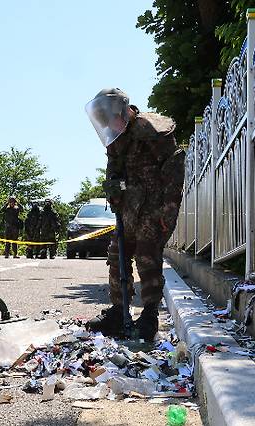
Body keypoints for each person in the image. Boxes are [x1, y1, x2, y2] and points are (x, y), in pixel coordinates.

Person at [84, 88, 184, 341]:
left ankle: (149, 316)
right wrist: (113, 190)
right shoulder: (115, 136)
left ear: (123, 111)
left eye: (111, 118)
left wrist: (168, 212)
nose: (109, 125)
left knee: (147, 258)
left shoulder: (153, 130)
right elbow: (113, 169)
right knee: (116, 255)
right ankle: (119, 312)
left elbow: (174, 170)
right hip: (128, 208)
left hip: (153, 207)